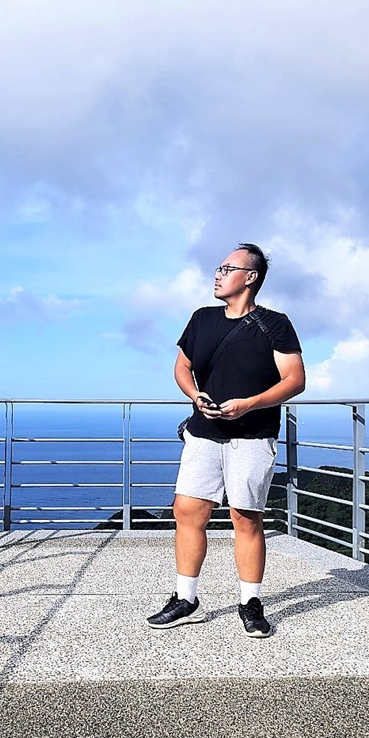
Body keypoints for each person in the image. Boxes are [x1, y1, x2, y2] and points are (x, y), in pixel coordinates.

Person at [146, 243, 305, 637]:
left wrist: (249, 405)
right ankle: (186, 598)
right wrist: (193, 395)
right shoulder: (202, 319)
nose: (217, 274)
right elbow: (183, 367)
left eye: (227, 267)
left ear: (249, 277)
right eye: (218, 267)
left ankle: (250, 604)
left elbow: (295, 380)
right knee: (187, 511)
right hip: (204, 433)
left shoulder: (276, 323)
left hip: (252, 435)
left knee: (245, 517)